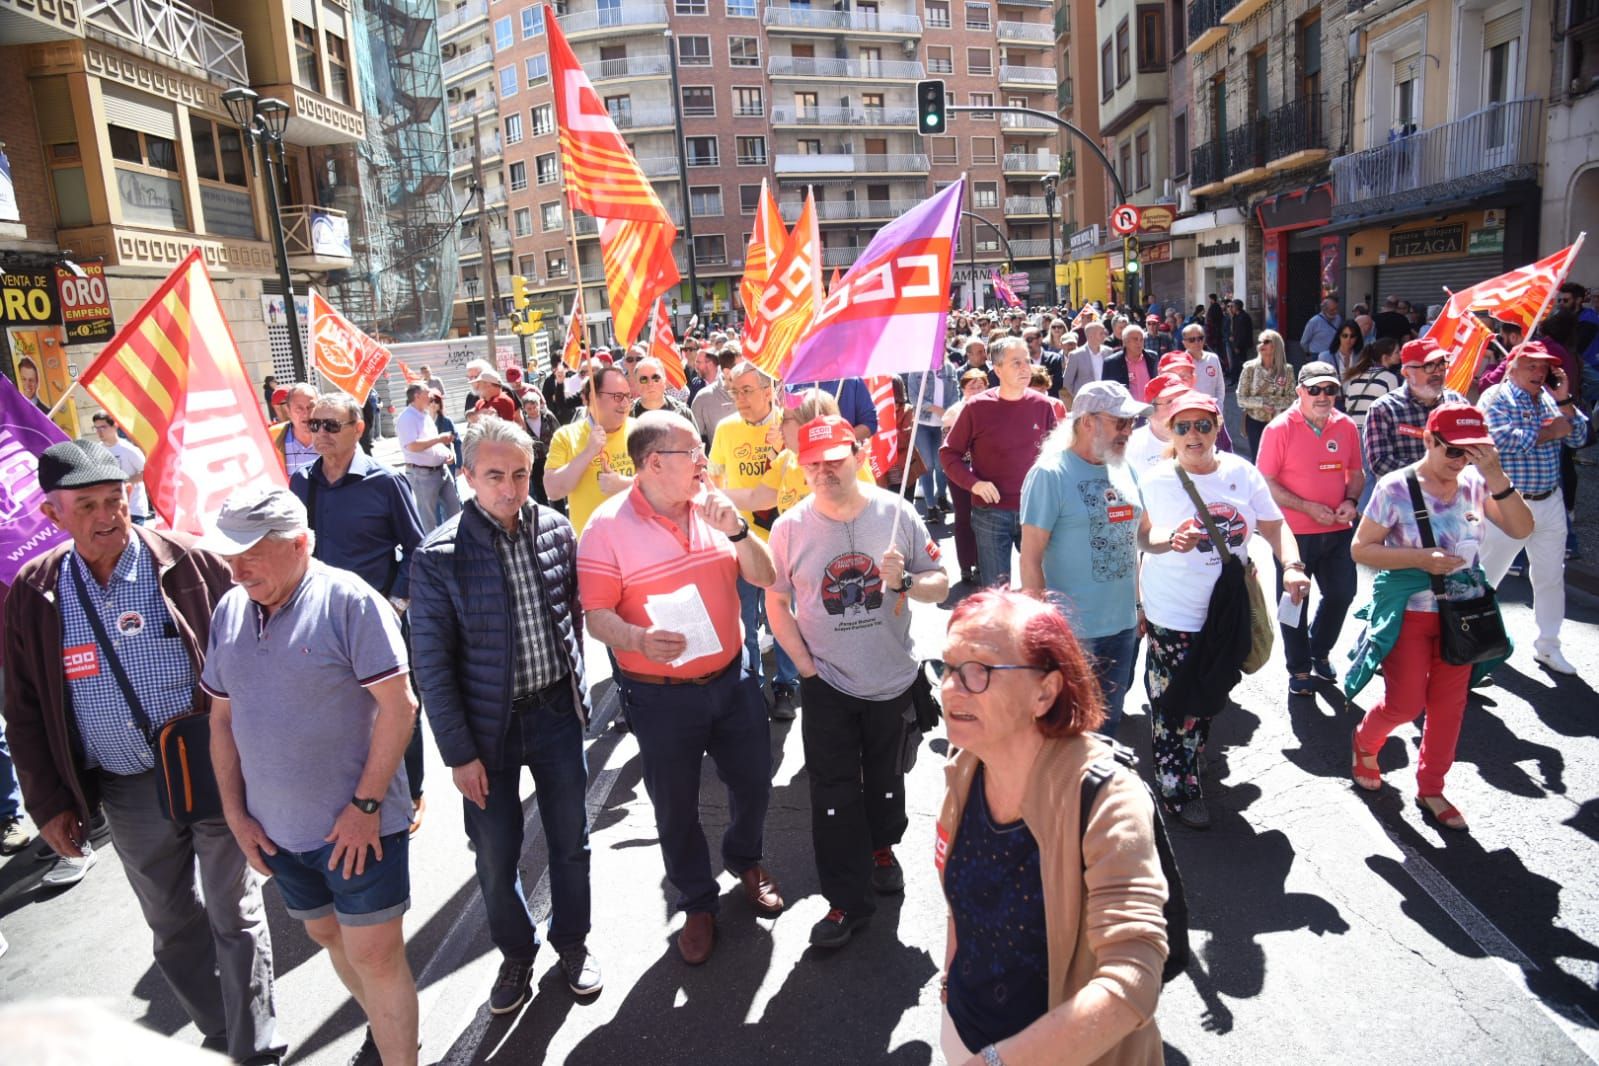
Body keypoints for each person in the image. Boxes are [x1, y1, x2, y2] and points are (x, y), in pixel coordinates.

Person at [4, 440, 284, 1063]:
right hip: (126, 786)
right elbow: (22, 710)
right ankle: (220, 1025)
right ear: (53, 515)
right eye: (88, 506)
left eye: (115, 500)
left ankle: (254, 1045)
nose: (107, 516)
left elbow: (256, 650)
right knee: (169, 918)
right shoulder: (34, 591)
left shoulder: (187, 562)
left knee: (234, 910)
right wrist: (49, 801)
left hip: (214, 769)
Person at [201, 487, 419, 1066]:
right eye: (229, 554)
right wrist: (235, 815)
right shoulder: (229, 610)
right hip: (280, 835)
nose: (236, 567)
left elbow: (400, 708)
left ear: (300, 544)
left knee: (375, 954)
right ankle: (389, 1028)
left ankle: (399, 1050)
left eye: (250, 552)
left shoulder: (350, 601)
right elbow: (221, 721)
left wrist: (366, 807)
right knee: (329, 938)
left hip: (360, 828)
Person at [576, 412, 785, 966]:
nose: (704, 461)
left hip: (733, 680)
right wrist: (638, 638)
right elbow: (596, 615)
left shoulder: (715, 507)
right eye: (692, 451)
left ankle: (745, 859)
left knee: (754, 784)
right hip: (659, 693)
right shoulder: (605, 527)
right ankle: (696, 901)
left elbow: (764, 578)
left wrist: (739, 530)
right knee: (675, 806)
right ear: (652, 464)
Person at [409, 418, 599, 1015]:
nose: (511, 489)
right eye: (495, 476)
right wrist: (458, 754)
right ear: (467, 477)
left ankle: (573, 943)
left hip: (554, 717)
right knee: (494, 855)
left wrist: (579, 697)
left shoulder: (555, 530)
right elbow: (431, 668)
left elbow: (571, 620)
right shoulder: (439, 555)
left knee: (571, 840)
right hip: (486, 736)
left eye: (520, 474)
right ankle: (517, 952)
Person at [937, 589, 1168, 1066]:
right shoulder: (965, 766)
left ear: (1045, 692)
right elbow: (965, 902)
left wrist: (998, 1063)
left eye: (978, 670)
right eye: (947, 667)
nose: (951, 689)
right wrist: (948, 982)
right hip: (963, 1031)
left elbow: (1133, 978)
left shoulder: (1105, 797)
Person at [766, 415, 949, 947]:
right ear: (801, 468)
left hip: (893, 679)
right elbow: (777, 602)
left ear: (858, 455)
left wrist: (908, 581)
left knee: (888, 779)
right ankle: (845, 902)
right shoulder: (789, 528)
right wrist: (805, 669)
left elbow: (940, 585)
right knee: (833, 793)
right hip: (826, 682)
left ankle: (882, 846)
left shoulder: (897, 513)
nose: (824, 471)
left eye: (835, 460)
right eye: (813, 463)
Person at [1347, 404, 1532, 831]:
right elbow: (1361, 549)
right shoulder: (1395, 488)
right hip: (1411, 614)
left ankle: (1432, 786)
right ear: (1429, 440)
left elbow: (1522, 529)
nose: (1461, 461)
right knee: (1406, 703)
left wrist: (1497, 475)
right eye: (1453, 451)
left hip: (1464, 614)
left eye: (1471, 453)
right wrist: (1419, 559)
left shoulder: (1476, 483)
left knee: (1450, 707)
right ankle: (1365, 741)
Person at [1136, 392, 1308, 828]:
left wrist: (1291, 565)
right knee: (1174, 703)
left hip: (1225, 610)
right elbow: (1141, 540)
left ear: (1217, 426)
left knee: (1209, 690)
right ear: (1171, 433)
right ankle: (1177, 790)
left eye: (1202, 425)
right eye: (1182, 427)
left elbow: (1274, 526)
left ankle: (1191, 755)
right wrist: (1168, 541)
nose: (1194, 435)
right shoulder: (1154, 479)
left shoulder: (1240, 473)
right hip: (1173, 610)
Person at [290, 392, 429, 834]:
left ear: (358, 428)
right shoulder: (301, 483)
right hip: (318, 622)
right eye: (315, 425)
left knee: (397, 706)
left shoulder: (385, 483)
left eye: (332, 425)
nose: (321, 434)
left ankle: (411, 792)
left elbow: (418, 549)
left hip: (378, 619)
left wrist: (395, 603)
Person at [1019, 382, 1148, 734]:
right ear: (1088, 422)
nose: (1128, 431)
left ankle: (1097, 787)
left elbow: (1142, 537)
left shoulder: (1126, 469)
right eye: (1121, 421)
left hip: (1122, 626)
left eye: (1131, 423)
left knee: (1108, 725)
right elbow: (1030, 558)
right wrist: (1042, 632)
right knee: (1069, 731)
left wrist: (1179, 539)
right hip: (1074, 633)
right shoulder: (1050, 474)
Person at [1476, 342, 1589, 675]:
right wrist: (1549, 431)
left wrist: (1565, 399)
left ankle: (1548, 645)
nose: (1539, 373)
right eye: (1532, 366)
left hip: (1549, 499)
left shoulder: (1552, 399)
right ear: (1513, 367)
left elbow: (1580, 434)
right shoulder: (1496, 397)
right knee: (1486, 577)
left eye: (1544, 368)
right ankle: (1471, 640)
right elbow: (1499, 439)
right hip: (1508, 502)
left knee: (1551, 576)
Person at [1255, 363, 1364, 695]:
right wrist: (1306, 507)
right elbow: (1265, 482)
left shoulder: (1345, 426)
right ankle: (1299, 668)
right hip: (1294, 534)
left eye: (1330, 390)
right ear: (1299, 391)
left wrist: (1351, 500)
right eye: (1314, 390)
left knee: (1343, 594)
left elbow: (1356, 473)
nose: (1323, 397)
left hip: (1338, 530)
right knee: (1294, 601)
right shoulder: (1278, 429)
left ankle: (1318, 649)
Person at [709, 361, 799, 716]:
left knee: (783, 617)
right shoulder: (726, 429)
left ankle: (787, 686)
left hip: (782, 540)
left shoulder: (787, 424)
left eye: (746, 390)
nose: (739, 398)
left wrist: (784, 447)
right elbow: (714, 479)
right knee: (744, 618)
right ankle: (752, 683)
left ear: (768, 392)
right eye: (734, 390)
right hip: (740, 541)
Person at [941, 338, 1059, 588]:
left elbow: (1057, 456)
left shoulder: (1042, 406)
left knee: (1042, 588)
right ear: (996, 369)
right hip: (991, 512)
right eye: (1016, 363)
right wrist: (974, 484)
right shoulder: (976, 407)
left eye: (1027, 361)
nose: (1025, 368)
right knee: (997, 593)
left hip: (1035, 510)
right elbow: (949, 454)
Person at [544, 366, 636, 536]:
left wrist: (625, 485)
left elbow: (664, 486)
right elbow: (553, 490)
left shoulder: (642, 431)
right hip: (592, 548)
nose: (624, 403)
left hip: (637, 542)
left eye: (628, 397)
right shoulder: (566, 436)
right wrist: (588, 452)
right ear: (590, 397)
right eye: (617, 396)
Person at [1363, 337, 1467, 480]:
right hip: (1406, 497)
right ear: (1406, 373)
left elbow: (1473, 453)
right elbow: (1380, 463)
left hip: (1454, 497)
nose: (1437, 372)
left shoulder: (1458, 403)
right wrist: (1433, 471)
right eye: (1428, 366)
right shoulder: (1383, 409)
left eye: (1441, 364)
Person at [943, 369, 992, 585]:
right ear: (963, 388)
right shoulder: (953, 413)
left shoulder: (994, 408)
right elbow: (948, 449)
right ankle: (965, 565)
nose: (976, 389)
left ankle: (983, 561)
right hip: (961, 472)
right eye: (971, 385)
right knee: (964, 518)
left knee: (986, 519)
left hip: (988, 472)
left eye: (980, 385)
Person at [394, 383, 461, 535]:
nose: (431, 397)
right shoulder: (407, 418)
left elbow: (431, 442)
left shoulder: (424, 415)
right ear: (417, 396)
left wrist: (446, 453)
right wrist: (439, 439)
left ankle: (456, 542)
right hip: (422, 474)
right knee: (428, 518)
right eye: (427, 394)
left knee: (454, 507)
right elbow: (412, 446)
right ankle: (430, 552)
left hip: (441, 470)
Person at [903, 359, 961, 523]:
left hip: (942, 425)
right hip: (922, 424)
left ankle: (942, 497)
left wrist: (950, 413)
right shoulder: (917, 369)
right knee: (927, 465)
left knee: (941, 465)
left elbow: (955, 394)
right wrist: (939, 410)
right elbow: (914, 398)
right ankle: (930, 507)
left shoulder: (949, 368)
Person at [1236, 329, 1296, 457]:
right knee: (1258, 458)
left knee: (1278, 458)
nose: (1260, 345)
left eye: (1266, 341)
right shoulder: (1250, 369)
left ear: (1276, 345)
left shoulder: (1287, 370)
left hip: (1279, 421)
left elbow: (1292, 398)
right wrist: (1262, 403)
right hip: (1255, 421)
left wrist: (1273, 405)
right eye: (1260, 342)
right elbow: (1241, 399)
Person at [91, 411, 150, 523]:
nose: (99, 432)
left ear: (115, 426)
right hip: (110, 511)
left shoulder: (128, 449)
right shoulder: (96, 450)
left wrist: (125, 481)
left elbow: (147, 473)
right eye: (96, 428)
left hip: (134, 509)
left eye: (103, 427)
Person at [1125, 373, 1185, 473]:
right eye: (1170, 402)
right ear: (1151, 410)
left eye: (1181, 400)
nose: (1179, 407)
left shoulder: (1197, 439)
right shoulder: (1130, 446)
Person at [267, 382, 320, 477]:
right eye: (299, 409)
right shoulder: (272, 437)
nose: (306, 414)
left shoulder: (334, 434)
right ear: (288, 410)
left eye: (311, 407)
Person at [690, 348, 736, 446]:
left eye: (698, 362)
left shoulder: (759, 391)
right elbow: (694, 436)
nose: (695, 366)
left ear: (710, 363)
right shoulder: (701, 395)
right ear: (727, 372)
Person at [519, 389, 557, 507]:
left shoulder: (548, 417)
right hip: (535, 459)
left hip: (551, 457)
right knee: (539, 488)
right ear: (524, 409)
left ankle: (560, 511)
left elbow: (558, 432)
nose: (533, 411)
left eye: (535, 407)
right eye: (529, 409)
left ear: (539, 405)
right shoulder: (523, 422)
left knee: (554, 486)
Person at [1175, 325, 1227, 407]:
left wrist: (1219, 406)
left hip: (1212, 411)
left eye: (1200, 338)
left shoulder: (1213, 358)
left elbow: (1220, 386)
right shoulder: (1179, 363)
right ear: (1184, 343)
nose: (1197, 342)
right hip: (1191, 413)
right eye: (1192, 340)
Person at [629, 356, 694, 422]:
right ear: (636, 384)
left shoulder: (683, 414)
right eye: (644, 379)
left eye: (656, 378)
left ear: (664, 381)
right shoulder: (627, 416)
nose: (650, 383)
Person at [1102, 326, 1158, 401]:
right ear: (1125, 342)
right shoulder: (1112, 363)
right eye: (1135, 339)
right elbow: (1106, 391)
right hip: (1125, 410)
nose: (1139, 343)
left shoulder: (1152, 358)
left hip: (1150, 409)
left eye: (1141, 340)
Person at [1300, 297, 1342, 364]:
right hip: (1317, 355)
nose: (1335, 312)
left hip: (1333, 355)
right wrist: (1309, 353)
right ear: (1324, 309)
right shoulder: (1314, 322)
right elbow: (1304, 342)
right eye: (1332, 310)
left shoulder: (1338, 319)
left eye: (1336, 309)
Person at [1227, 299, 1255, 371]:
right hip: (1236, 343)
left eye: (1232, 306)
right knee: (1235, 363)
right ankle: (1235, 378)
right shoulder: (1236, 316)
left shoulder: (1243, 317)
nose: (1231, 308)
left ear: (1237, 307)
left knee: (1241, 363)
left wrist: (1237, 346)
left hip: (1241, 345)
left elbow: (1242, 333)